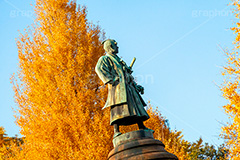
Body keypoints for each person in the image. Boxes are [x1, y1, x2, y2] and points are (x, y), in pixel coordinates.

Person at [95, 39, 152, 138]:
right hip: (117, 88)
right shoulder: (105, 59)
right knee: (117, 108)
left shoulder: (119, 60)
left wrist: (136, 86)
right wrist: (112, 79)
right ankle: (116, 131)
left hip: (128, 87)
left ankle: (141, 126)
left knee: (135, 106)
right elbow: (99, 69)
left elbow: (127, 75)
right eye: (116, 46)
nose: (118, 47)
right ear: (111, 47)